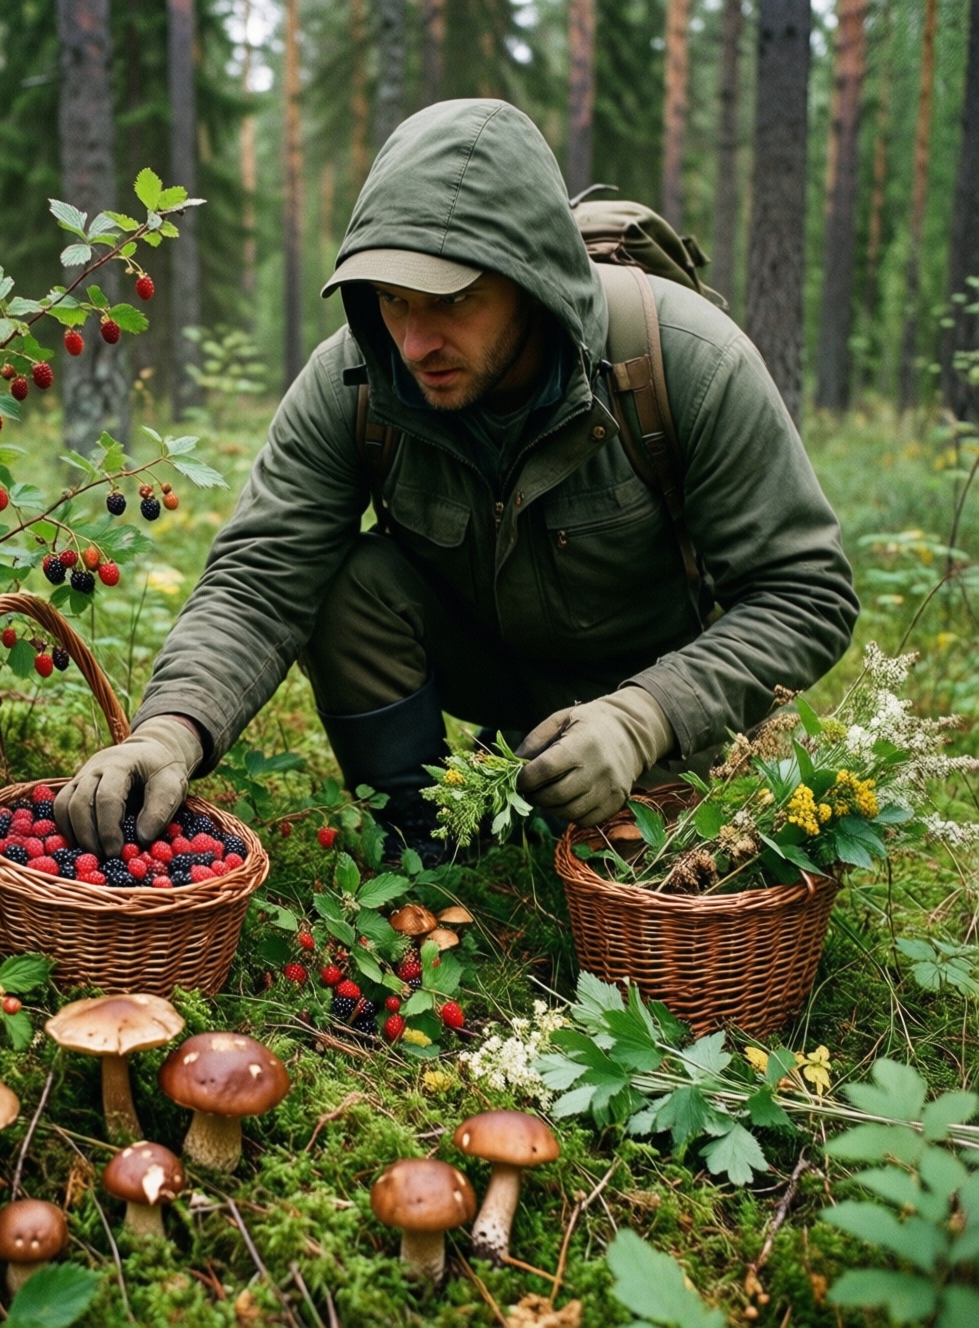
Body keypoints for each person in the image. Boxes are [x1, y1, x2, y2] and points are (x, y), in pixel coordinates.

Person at [54, 98, 858, 859]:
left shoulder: (681, 361)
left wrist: (646, 718)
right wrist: (169, 731)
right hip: (485, 671)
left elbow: (805, 591)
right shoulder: (354, 382)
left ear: (538, 279)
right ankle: (420, 838)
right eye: (393, 302)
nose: (413, 342)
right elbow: (262, 578)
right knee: (345, 579)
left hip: (652, 700)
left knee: (662, 872)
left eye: (454, 300)